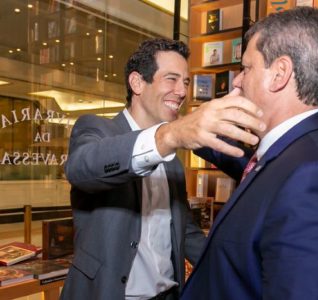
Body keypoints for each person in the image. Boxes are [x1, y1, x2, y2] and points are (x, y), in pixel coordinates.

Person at [181, 7, 318, 300]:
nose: (237, 81)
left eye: (247, 68)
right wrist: (176, 131)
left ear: (279, 73)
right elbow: (249, 168)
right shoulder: (302, 149)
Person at [61, 38, 265, 300]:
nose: (181, 91)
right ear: (137, 83)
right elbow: (82, 167)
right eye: (171, 79)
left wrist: (235, 273)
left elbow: (185, 231)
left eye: (187, 82)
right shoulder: (96, 130)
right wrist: (169, 137)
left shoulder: (173, 162)